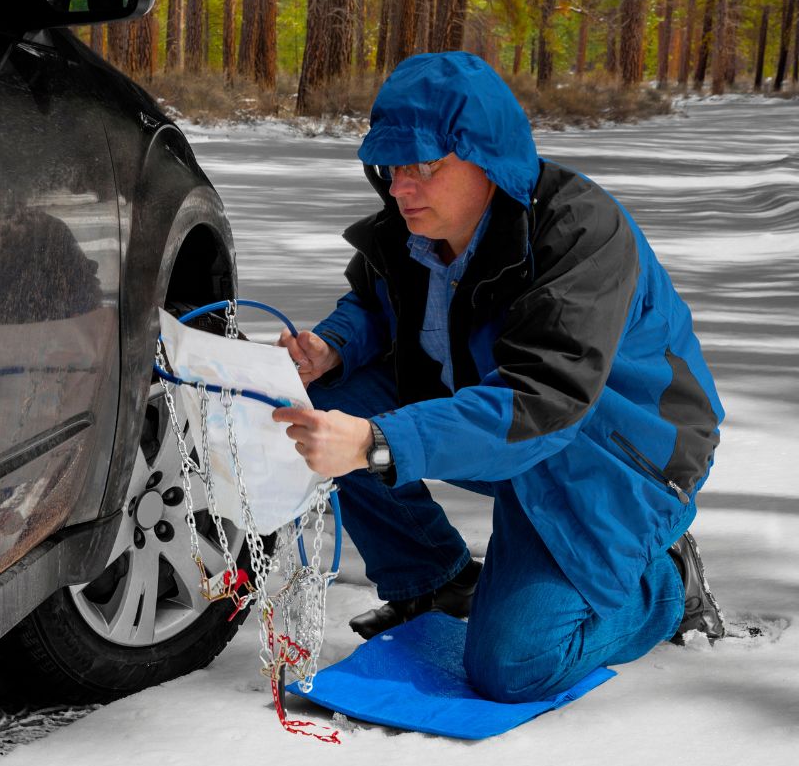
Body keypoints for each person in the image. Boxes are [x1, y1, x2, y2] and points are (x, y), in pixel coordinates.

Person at [270, 52, 726, 704]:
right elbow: (375, 306)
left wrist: (377, 442)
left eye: (425, 166)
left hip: (620, 453)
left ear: (488, 159)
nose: (402, 187)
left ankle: (666, 584)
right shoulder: (413, 230)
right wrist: (332, 348)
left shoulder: (578, 233)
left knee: (516, 665)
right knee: (334, 401)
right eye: (394, 166)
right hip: (509, 427)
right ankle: (434, 583)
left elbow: (543, 401)